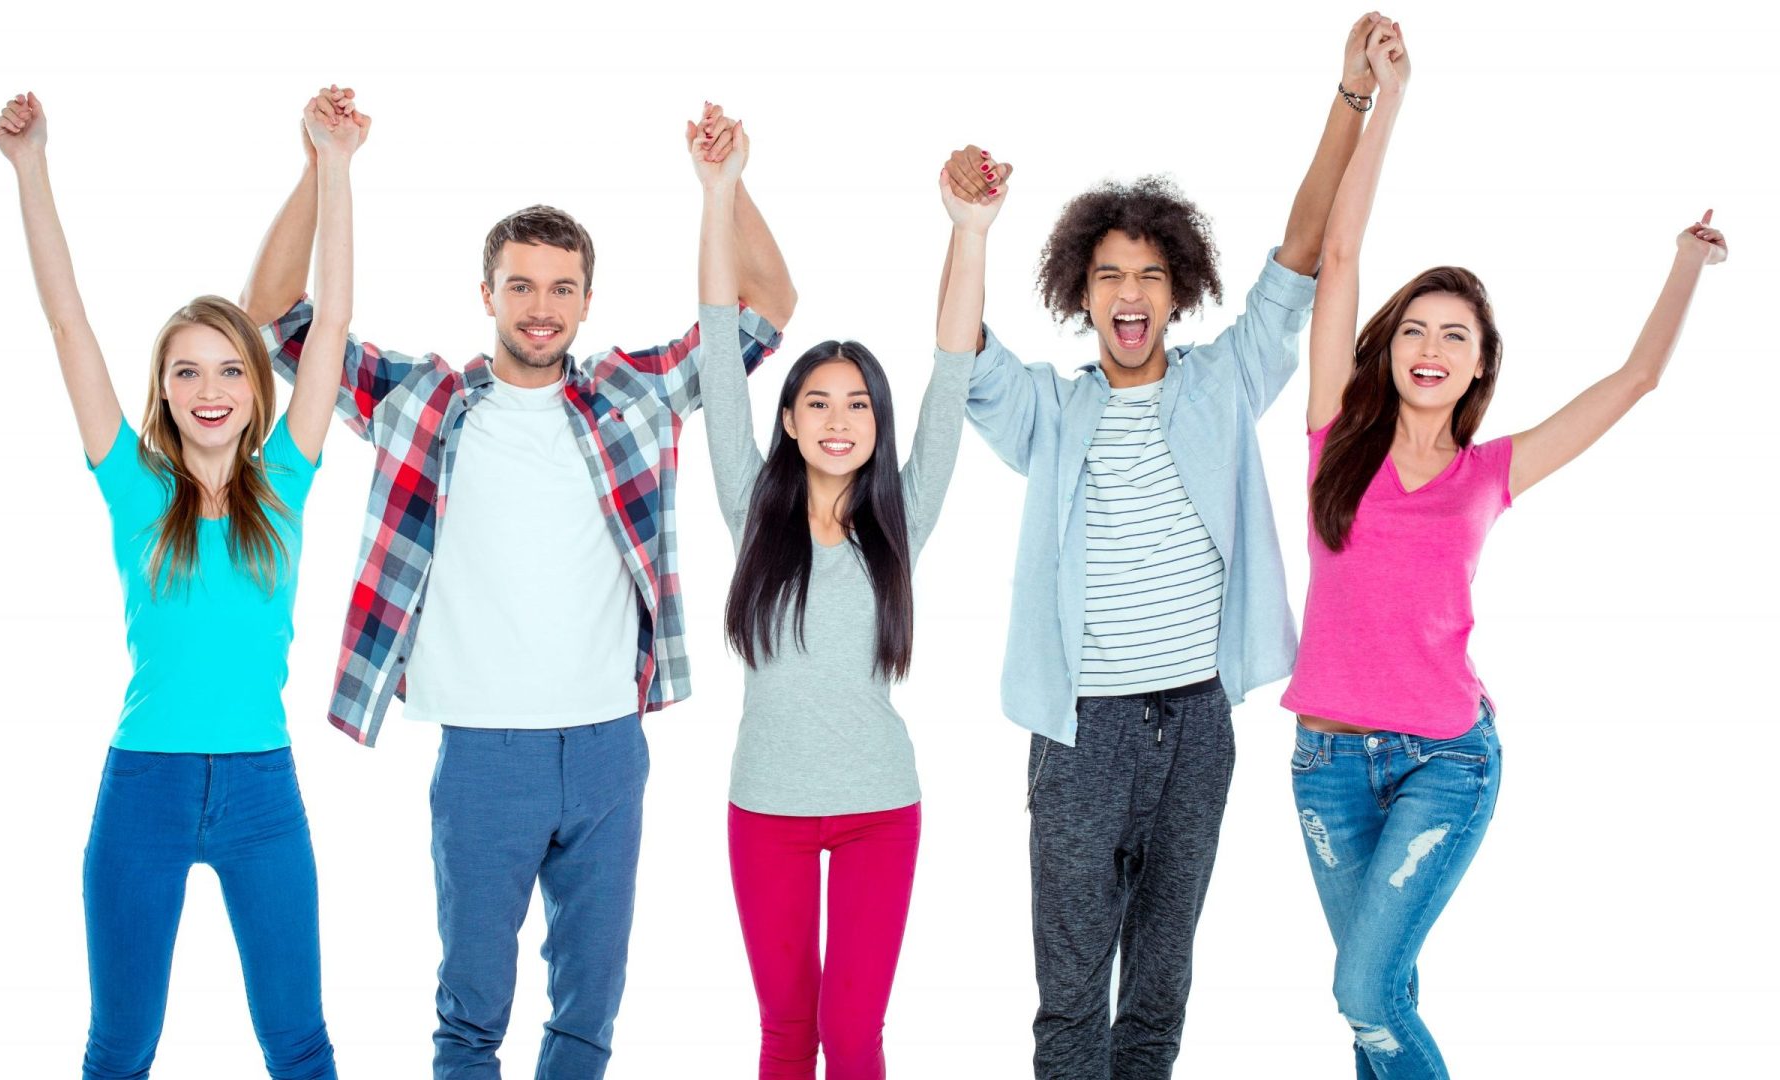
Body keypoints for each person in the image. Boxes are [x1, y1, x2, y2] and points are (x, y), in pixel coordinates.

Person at [238, 96, 797, 1080]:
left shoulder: (635, 390)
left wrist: (728, 183)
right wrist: (323, 165)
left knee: (589, 1014)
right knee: (471, 1018)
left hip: (608, 747)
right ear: (486, 294)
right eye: (522, 286)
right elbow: (276, 321)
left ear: (586, 301)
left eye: (563, 288)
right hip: (483, 752)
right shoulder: (421, 398)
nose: (542, 306)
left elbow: (764, 314)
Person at [946, 13, 1395, 1077]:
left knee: (1158, 992)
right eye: (1109, 274)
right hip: (1079, 735)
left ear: (1176, 287)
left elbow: (1298, 259)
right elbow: (958, 356)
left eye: (1149, 273)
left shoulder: (1223, 383)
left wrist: (1351, 100)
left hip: (1198, 723)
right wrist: (969, 231)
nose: (1131, 292)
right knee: (1070, 1001)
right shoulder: (1052, 412)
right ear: (1081, 294)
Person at [1283, 22, 1727, 1079]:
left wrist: (1685, 266)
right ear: (1385, 350)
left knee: (1363, 989)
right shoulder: (1331, 436)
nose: (1430, 349)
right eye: (1414, 331)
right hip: (1327, 765)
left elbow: (1633, 383)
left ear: (1481, 365)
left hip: (1446, 762)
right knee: (1378, 999)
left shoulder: (1494, 472)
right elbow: (1339, 257)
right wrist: (1388, 96)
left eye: (1455, 337)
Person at [0, 88, 364, 1079]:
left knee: (299, 1041)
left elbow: (327, 332)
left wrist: (332, 166)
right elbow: (68, 322)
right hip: (144, 789)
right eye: (187, 372)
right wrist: (32, 170)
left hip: (261, 791)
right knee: (120, 1046)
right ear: (161, 389)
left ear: (257, 389)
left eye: (230, 371)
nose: (210, 390)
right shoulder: (132, 484)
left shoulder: (284, 479)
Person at [694, 117, 993, 1078]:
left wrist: (969, 231)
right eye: (817, 401)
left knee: (854, 1036)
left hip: (878, 808)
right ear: (786, 419)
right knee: (787, 1034)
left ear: (876, 423)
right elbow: (712, 344)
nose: (837, 419)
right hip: (766, 807)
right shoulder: (751, 509)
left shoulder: (898, 527)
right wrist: (717, 192)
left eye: (857, 403)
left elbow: (952, 373)